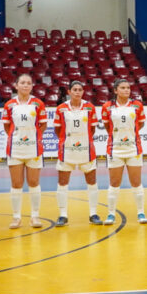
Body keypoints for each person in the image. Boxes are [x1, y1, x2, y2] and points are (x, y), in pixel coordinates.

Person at [3, 73, 48, 229]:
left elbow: (43, 125)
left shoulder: (38, 104)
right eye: (22, 82)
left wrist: (33, 137)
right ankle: (16, 218)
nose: (25, 85)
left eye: (28, 83)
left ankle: (35, 216)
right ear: (16, 85)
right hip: (15, 148)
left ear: (32, 86)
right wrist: (18, 137)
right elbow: (7, 126)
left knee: (34, 182)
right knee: (16, 183)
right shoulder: (9, 104)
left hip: (34, 148)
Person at [102, 78, 147, 224]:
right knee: (114, 183)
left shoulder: (137, 106)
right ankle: (111, 214)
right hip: (115, 149)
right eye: (122, 88)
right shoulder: (107, 107)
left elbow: (139, 124)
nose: (126, 90)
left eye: (128, 87)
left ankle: (141, 212)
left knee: (136, 182)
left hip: (133, 148)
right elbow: (108, 127)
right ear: (115, 90)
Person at [55, 80, 100, 227]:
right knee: (62, 183)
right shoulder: (61, 108)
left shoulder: (89, 107)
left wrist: (83, 140)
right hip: (67, 150)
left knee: (92, 182)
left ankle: (93, 213)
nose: (77, 92)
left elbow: (92, 130)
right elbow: (58, 130)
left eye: (80, 89)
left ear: (83, 92)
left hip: (86, 150)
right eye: (74, 89)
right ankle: (63, 215)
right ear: (69, 92)